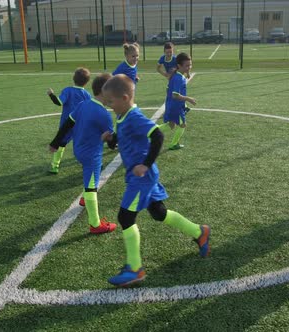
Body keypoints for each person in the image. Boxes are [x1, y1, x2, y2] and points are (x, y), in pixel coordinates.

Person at [101, 74, 210, 287]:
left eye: (110, 102)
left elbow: (157, 136)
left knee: (125, 217)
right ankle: (199, 232)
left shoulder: (134, 116)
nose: (109, 106)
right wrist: (111, 139)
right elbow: (123, 140)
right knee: (159, 213)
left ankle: (135, 268)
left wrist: (146, 164)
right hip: (141, 175)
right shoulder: (123, 116)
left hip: (142, 177)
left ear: (124, 98)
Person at [49, 73, 117, 234]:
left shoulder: (83, 104)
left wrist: (55, 142)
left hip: (78, 150)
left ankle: (85, 199)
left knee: (96, 171)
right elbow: (112, 144)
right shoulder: (104, 115)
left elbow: (67, 124)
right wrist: (115, 139)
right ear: (104, 91)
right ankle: (95, 224)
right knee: (91, 186)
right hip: (91, 154)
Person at [46, 67, 92, 175]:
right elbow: (89, 110)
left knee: (61, 144)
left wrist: (51, 94)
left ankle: (54, 166)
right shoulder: (87, 95)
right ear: (87, 82)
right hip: (80, 125)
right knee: (81, 144)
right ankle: (86, 164)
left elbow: (59, 102)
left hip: (66, 124)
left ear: (73, 78)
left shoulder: (67, 90)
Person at [158, 52, 196, 150]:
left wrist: (187, 72)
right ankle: (173, 144)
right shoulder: (179, 78)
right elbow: (175, 95)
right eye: (187, 66)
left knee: (171, 124)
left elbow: (168, 89)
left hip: (172, 105)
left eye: (190, 65)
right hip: (176, 107)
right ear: (179, 66)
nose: (189, 67)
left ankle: (149, 131)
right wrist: (188, 99)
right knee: (183, 125)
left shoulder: (176, 75)